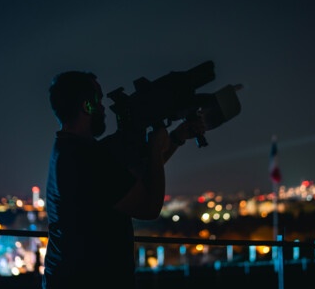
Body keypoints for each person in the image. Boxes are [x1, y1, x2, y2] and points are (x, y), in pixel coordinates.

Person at [42, 71, 204, 288]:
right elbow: (149, 206)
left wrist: (176, 138)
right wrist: (155, 149)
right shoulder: (88, 159)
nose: (103, 108)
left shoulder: (70, 150)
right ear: (86, 106)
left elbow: (136, 179)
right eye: (98, 100)